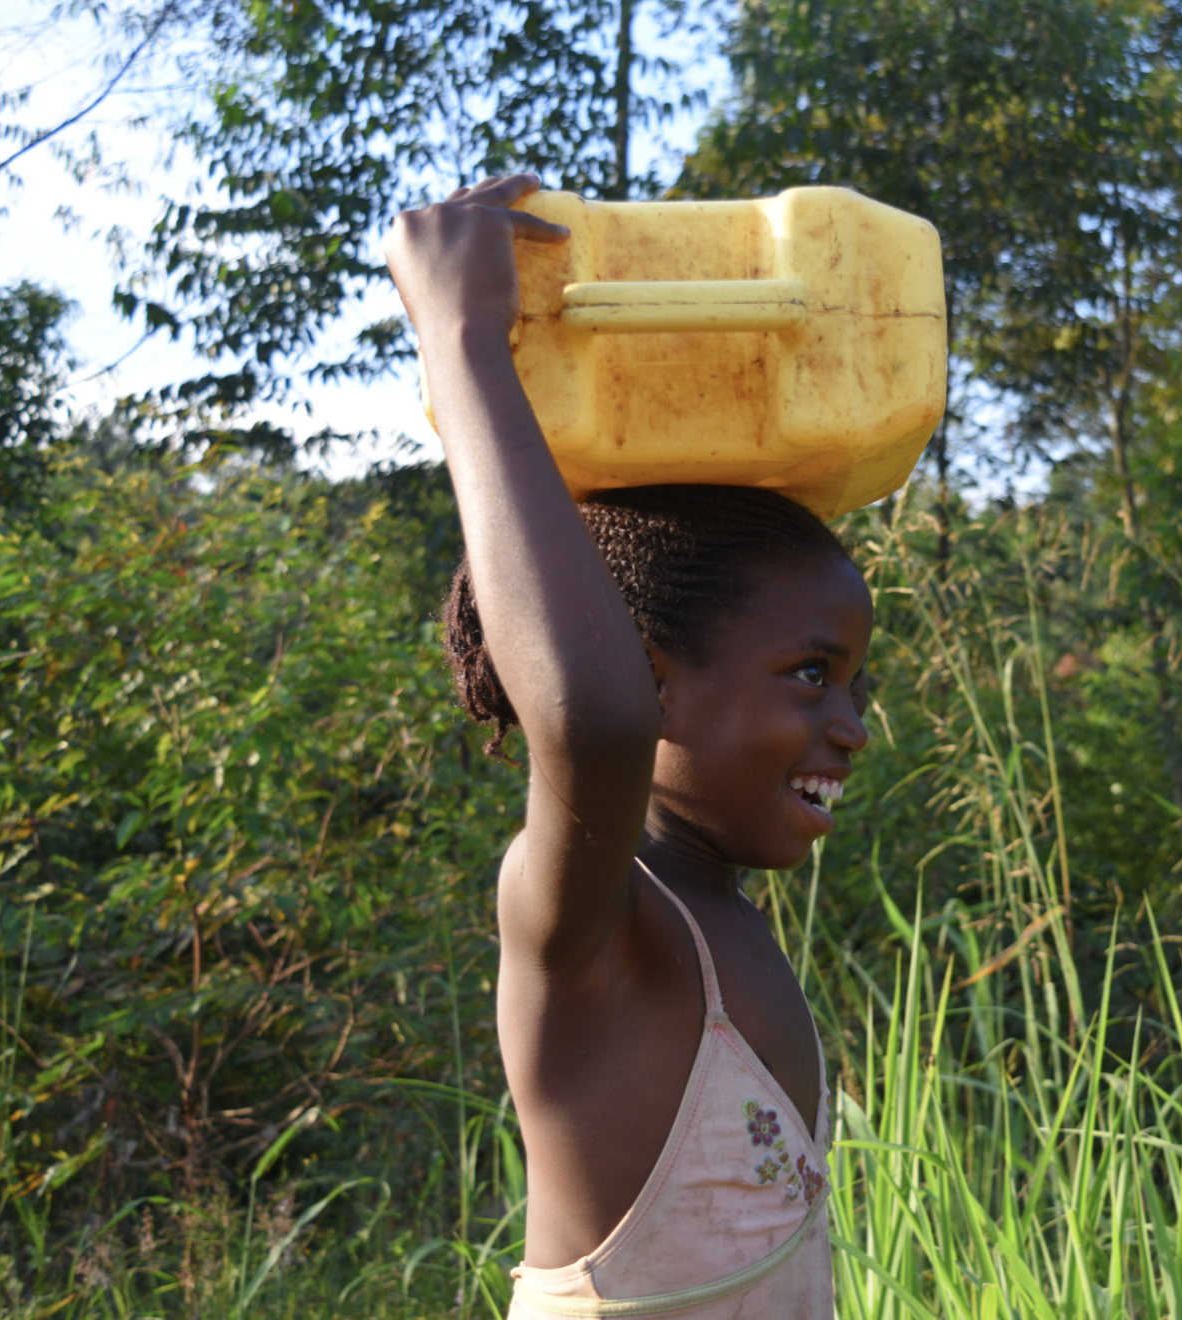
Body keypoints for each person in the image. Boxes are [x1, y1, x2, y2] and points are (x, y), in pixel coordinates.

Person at [386, 173, 870, 1318]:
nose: (850, 727)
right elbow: (594, 725)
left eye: (856, 681)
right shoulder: (594, 930)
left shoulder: (721, 927)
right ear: (652, 677)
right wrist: (462, 344)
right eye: (812, 674)